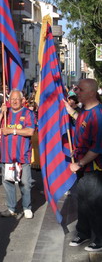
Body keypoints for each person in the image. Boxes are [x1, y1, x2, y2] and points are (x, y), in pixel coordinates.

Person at [66, 79, 102, 252]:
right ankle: (84, 233)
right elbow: (79, 122)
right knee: (82, 202)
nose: (76, 92)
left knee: (94, 204)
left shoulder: (98, 115)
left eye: (80, 89)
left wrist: (79, 163)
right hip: (82, 168)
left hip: (93, 169)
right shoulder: (83, 112)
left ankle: (100, 239)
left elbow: (97, 148)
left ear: (91, 93)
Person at [0, 89, 36, 218]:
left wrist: (13, 131)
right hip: (7, 155)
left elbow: (30, 131)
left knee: (25, 183)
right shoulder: (6, 114)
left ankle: (26, 207)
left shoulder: (28, 113)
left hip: (23, 155)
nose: (15, 101)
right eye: (12, 99)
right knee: (8, 182)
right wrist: (1, 114)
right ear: (9, 101)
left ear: (22, 100)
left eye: (17, 99)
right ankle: (11, 208)